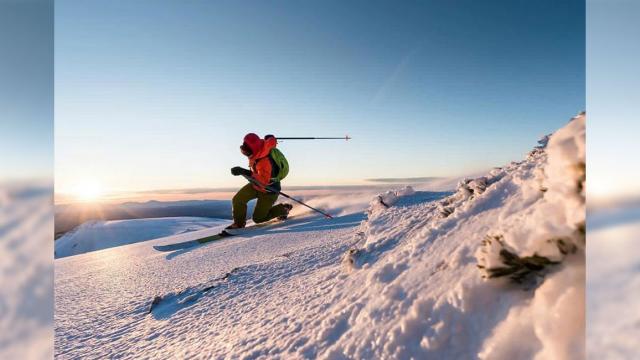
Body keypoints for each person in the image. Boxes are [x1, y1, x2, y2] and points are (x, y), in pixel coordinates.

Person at [228, 133, 293, 230]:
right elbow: (271, 142)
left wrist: (244, 171)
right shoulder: (263, 146)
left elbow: (264, 182)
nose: (245, 153)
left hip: (269, 190)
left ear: (253, 149)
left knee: (258, 218)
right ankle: (239, 224)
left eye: (246, 151)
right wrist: (270, 138)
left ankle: (283, 209)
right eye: (243, 150)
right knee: (238, 200)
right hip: (255, 185)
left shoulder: (264, 161)